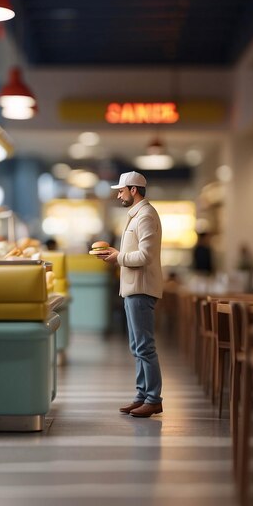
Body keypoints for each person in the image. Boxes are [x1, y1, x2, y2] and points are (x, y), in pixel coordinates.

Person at [102, 171, 164, 418]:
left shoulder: (146, 216)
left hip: (141, 288)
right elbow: (135, 252)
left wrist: (119, 258)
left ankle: (153, 398)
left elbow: (146, 256)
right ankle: (142, 395)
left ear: (133, 190)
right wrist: (117, 254)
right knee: (137, 346)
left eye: (121, 190)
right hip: (132, 288)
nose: (118, 195)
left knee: (145, 347)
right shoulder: (137, 215)